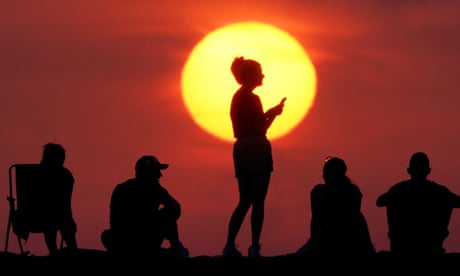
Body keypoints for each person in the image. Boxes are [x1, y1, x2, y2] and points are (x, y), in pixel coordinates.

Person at [223, 56, 286, 257]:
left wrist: (271, 114)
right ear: (249, 75)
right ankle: (254, 247)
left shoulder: (237, 97)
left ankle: (229, 245)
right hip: (256, 149)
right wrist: (271, 114)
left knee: (244, 201)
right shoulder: (251, 98)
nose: (263, 76)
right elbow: (260, 128)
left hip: (241, 149)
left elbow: (257, 125)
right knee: (258, 201)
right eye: (259, 72)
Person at [101, 155, 189, 258]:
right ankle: (176, 249)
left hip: (122, 243)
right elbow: (175, 208)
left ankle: (130, 251)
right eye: (157, 172)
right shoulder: (155, 189)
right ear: (148, 173)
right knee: (167, 213)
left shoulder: (120, 189)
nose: (160, 175)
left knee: (106, 235)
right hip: (142, 241)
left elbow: (113, 222)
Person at [376, 151, 460, 257]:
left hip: (402, 247)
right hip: (431, 247)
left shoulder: (398, 190)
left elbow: (380, 202)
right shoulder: (440, 192)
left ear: (409, 171)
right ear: (428, 171)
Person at [296, 156, 375, 259]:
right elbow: (355, 217)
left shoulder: (319, 192)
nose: (323, 175)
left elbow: (315, 220)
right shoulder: (354, 191)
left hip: (333, 239)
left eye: (324, 172)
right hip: (355, 239)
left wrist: (315, 245)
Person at [39, 142, 78, 255]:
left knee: (50, 217)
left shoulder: (32, 174)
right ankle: (73, 251)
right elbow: (65, 203)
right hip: (58, 217)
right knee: (62, 218)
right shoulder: (65, 175)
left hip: (32, 216)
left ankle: (53, 251)